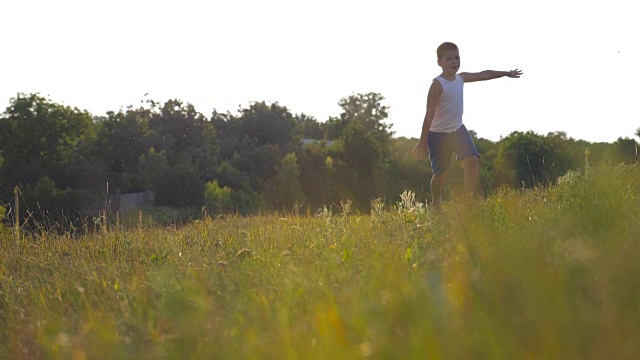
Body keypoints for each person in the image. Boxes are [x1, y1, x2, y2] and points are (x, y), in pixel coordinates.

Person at [412, 42, 522, 208]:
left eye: (457, 57)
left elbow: (484, 74)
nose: (454, 61)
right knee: (441, 173)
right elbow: (429, 115)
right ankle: (436, 202)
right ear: (439, 62)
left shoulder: (461, 78)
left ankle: (469, 203)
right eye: (449, 59)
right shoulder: (437, 85)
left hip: (457, 130)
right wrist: (422, 141)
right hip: (438, 135)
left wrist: (506, 73)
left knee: (472, 159)